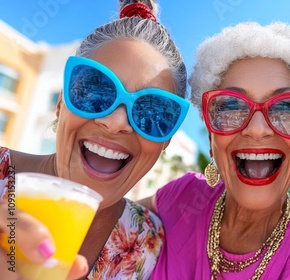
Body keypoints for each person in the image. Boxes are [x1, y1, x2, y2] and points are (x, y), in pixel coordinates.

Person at [0, 0, 189, 279]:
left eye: (153, 112)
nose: (115, 123)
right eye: (94, 90)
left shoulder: (150, 244)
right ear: (61, 102)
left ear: (166, 142)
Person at [140, 22, 290, 279]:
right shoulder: (183, 196)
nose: (257, 129)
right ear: (211, 137)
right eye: (231, 106)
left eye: (286, 108)